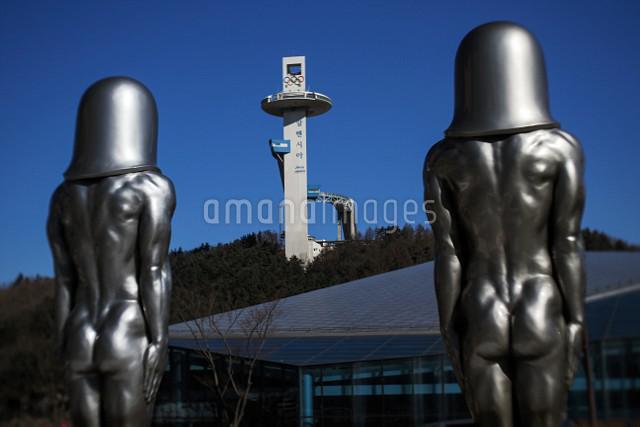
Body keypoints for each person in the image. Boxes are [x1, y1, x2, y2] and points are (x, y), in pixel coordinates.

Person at [424, 22, 585, 427]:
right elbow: (566, 242)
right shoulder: (560, 149)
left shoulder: (442, 158)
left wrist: (448, 328)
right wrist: (577, 319)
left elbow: (448, 252)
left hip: (481, 308)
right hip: (540, 301)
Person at [47, 77, 176, 426]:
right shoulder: (151, 187)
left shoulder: (63, 196)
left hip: (79, 331)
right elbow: (153, 269)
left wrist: (61, 345)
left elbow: (64, 280)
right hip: (127, 327)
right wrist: (160, 339)